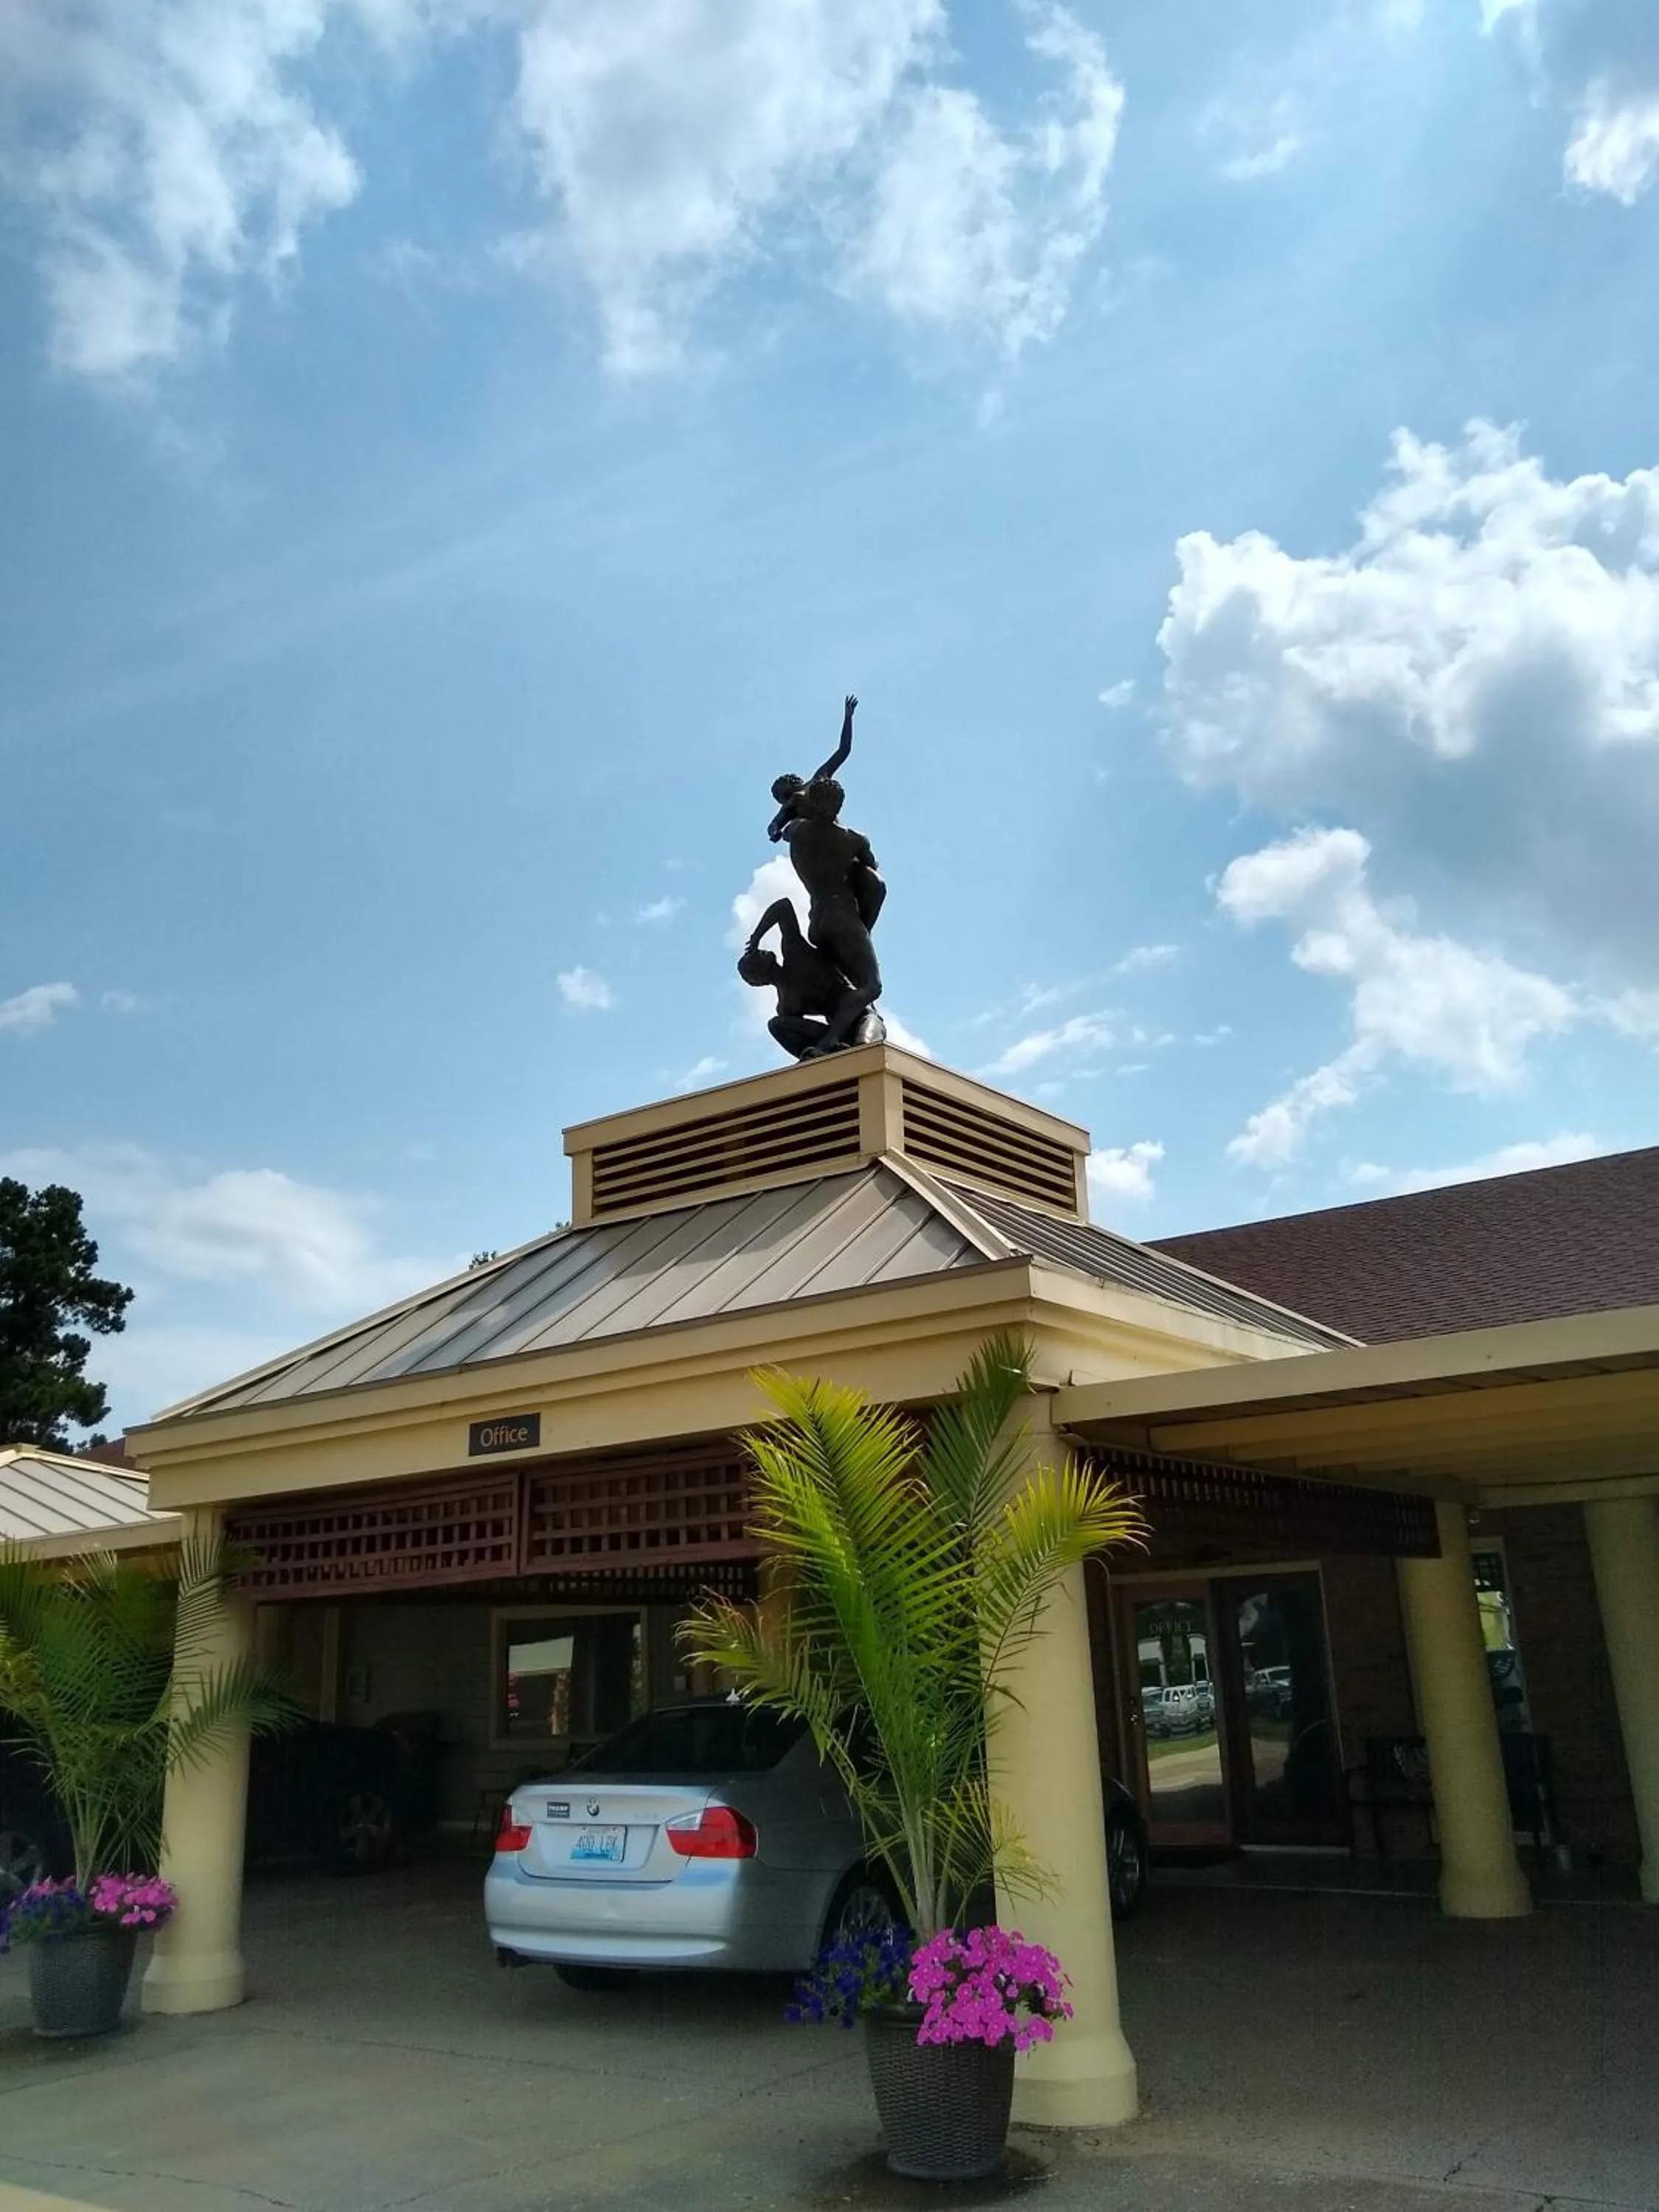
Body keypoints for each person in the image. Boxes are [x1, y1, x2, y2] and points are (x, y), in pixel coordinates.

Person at [776, 778, 883, 1052]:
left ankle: (849, 1032)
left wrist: (790, 808)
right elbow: (872, 877)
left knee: (844, 987)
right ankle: (830, 1040)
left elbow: (781, 829)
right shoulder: (852, 839)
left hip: (818, 920)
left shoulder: (797, 831)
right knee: (871, 986)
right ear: (839, 805)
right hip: (843, 916)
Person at [739, 900, 886, 1060]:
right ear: (758, 978)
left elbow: (783, 907)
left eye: (753, 952)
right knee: (777, 1025)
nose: (756, 952)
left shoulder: (795, 952)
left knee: (863, 1048)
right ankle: (824, 1055)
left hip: (862, 1016)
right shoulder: (787, 1005)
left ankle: (830, 1046)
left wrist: (757, 936)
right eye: (751, 959)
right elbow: (791, 1031)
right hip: (838, 1036)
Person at [767, 693, 857, 844]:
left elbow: (843, 750)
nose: (777, 795)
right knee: (793, 829)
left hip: (835, 828)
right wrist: (775, 833)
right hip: (814, 834)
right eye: (776, 795)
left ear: (790, 781)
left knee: (861, 843)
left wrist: (848, 718)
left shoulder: (817, 779)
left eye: (777, 790)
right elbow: (774, 825)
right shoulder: (790, 805)